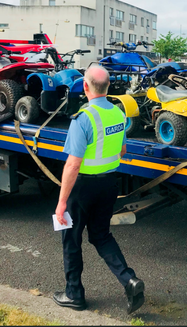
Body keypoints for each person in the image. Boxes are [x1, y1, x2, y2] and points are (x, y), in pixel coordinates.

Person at [53, 65, 145, 314]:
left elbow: (72, 165)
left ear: (85, 86)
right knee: (101, 236)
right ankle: (129, 280)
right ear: (108, 87)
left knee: (71, 239)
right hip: (108, 185)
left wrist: (62, 203)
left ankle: (74, 294)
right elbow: (122, 151)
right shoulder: (117, 113)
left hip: (82, 188)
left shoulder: (84, 118)